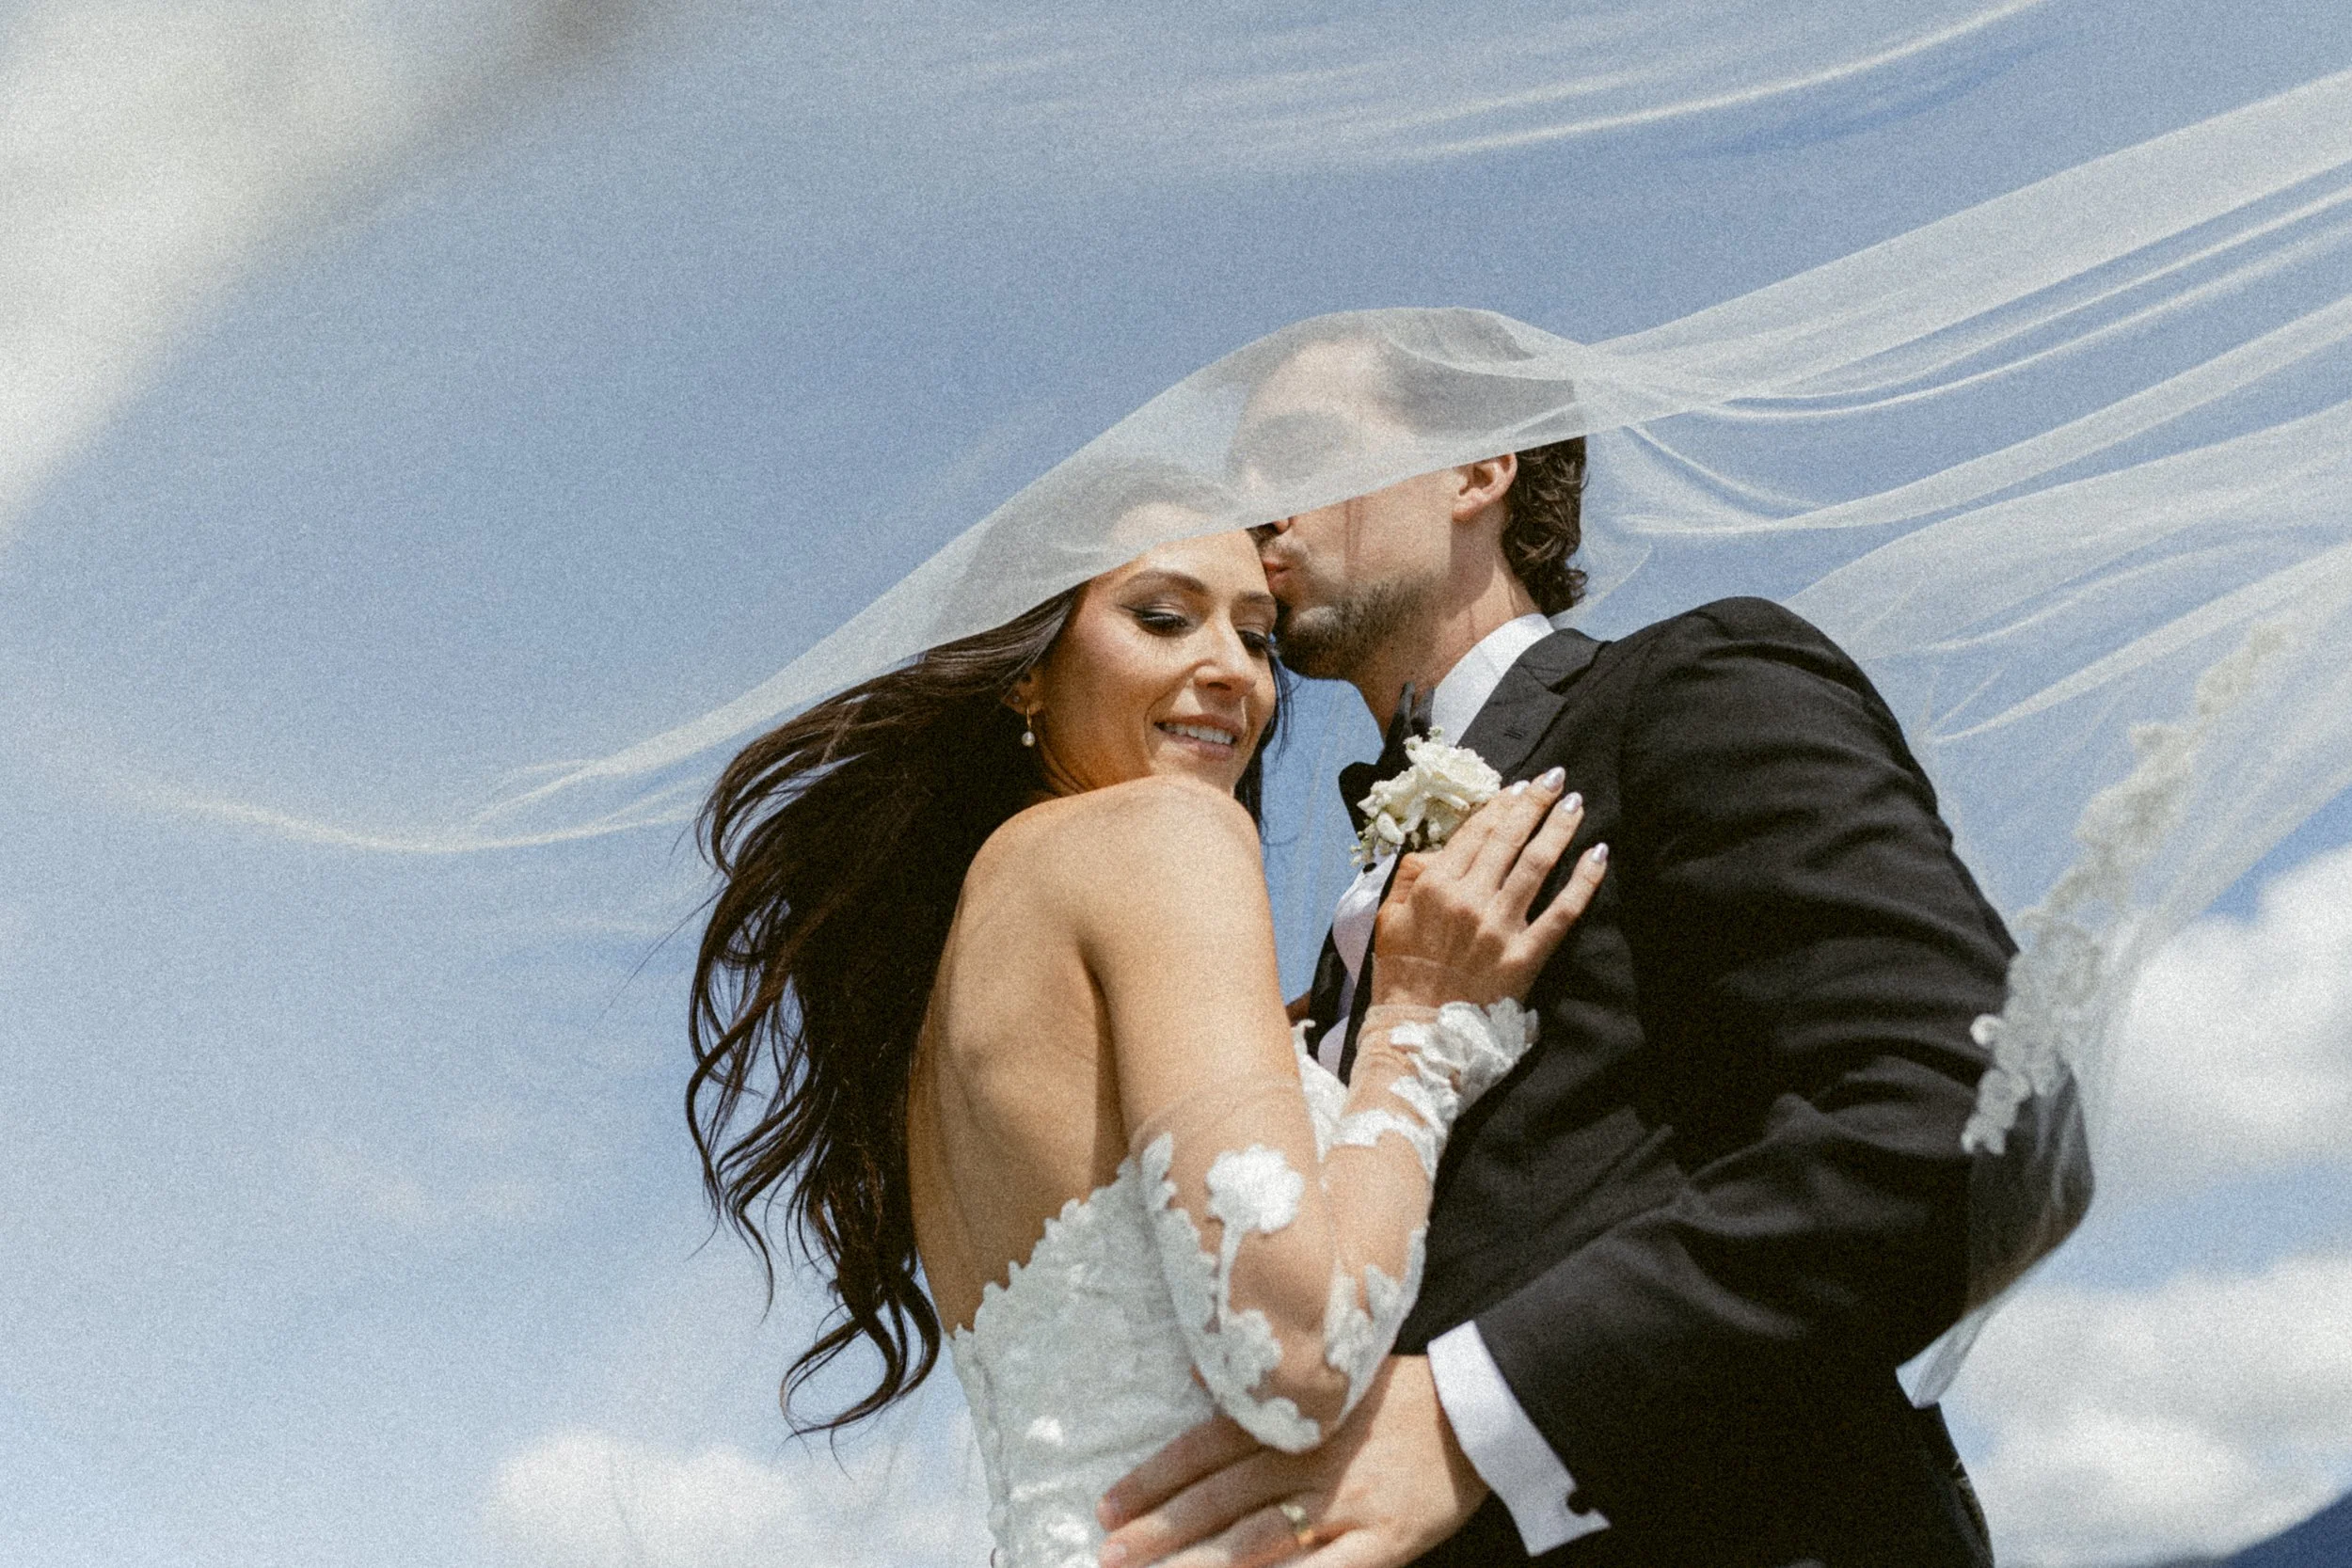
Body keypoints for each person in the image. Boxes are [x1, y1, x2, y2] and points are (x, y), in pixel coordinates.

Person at [1094, 330, 2019, 1567]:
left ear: (1477, 470)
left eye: (1299, 456)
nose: (1258, 513)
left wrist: (1479, 1415)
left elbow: (1971, 1112)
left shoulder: (1689, 689)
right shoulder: (1321, 936)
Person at [684, 521, 1611, 1568]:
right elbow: (1294, 1350)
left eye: (1257, 637)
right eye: (1162, 618)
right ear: (1026, 674)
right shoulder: (1164, 831)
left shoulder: (968, 954)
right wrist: (1410, 1030)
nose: (1228, 668)